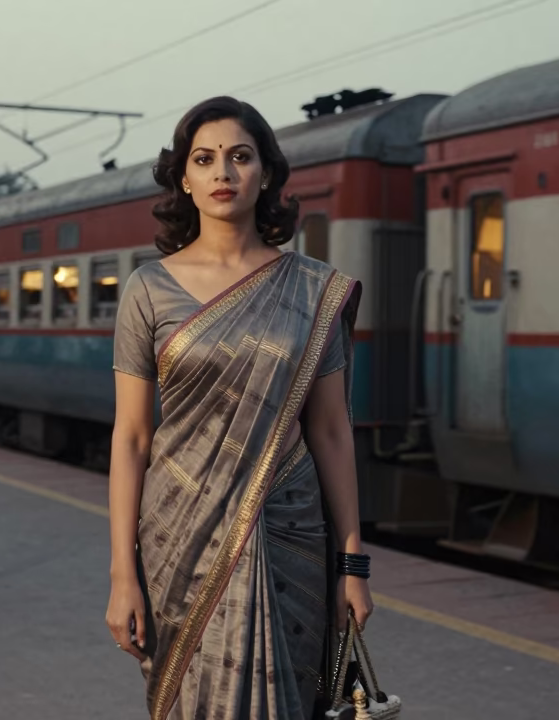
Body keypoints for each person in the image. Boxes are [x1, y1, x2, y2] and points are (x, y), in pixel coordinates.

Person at [105, 97, 373, 720]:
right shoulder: (149, 288)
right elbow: (132, 438)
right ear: (185, 180)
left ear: (268, 175)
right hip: (178, 539)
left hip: (290, 536)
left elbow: (332, 432)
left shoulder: (314, 288)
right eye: (204, 159)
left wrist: (353, 564)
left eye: (240, 157)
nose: (223, 172)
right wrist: (123, 576)